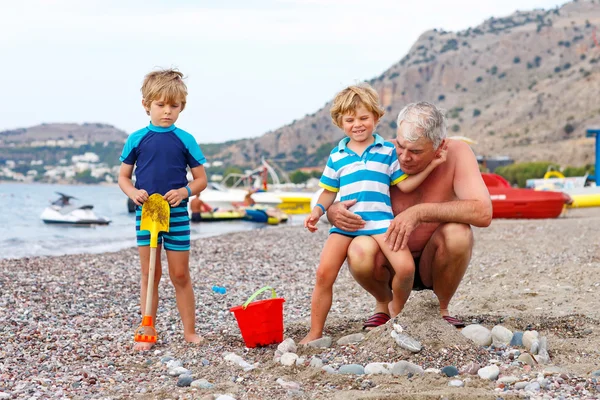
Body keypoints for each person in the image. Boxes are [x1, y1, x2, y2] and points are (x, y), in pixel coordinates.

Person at [326, 101, 492, 332]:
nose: (404, 157)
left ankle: (440, 309)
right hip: (388, 259)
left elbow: (483, 212)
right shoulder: (381, 151)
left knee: (459, 233)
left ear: (439, 146)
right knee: (359, 248)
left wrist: (420, 212)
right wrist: (333, 211)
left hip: (433, 260)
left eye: (415, 151)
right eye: (401, 147)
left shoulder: (456, 152)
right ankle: (384, 307)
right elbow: (333, 194)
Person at [300, 85, 447, 344]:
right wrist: (316, 211)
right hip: (346, 226)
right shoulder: (337, 156)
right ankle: (315, 332)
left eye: (364, 118)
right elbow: (327, 192)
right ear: (340, 123)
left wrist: (433, 164)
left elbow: (406, 185)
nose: (357, 124)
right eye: (350, 119)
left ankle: (396, 314)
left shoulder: (388, 151)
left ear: (376, 118)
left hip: (380, 223)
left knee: (405, 268)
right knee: (324, 274)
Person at [118, 69, 208, 351]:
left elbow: (201, 179)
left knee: (179, 275)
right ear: (147, 105)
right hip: (148, 214)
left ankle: (190, 331)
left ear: (182, 106)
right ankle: (147, 326)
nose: (167, 112)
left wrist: (185, 192)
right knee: (150, 274)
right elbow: (123, 177)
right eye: (160, 105)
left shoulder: (185, 140)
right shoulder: (136, 139)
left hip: (177, 214)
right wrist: (133, 192)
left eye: (174, 106)